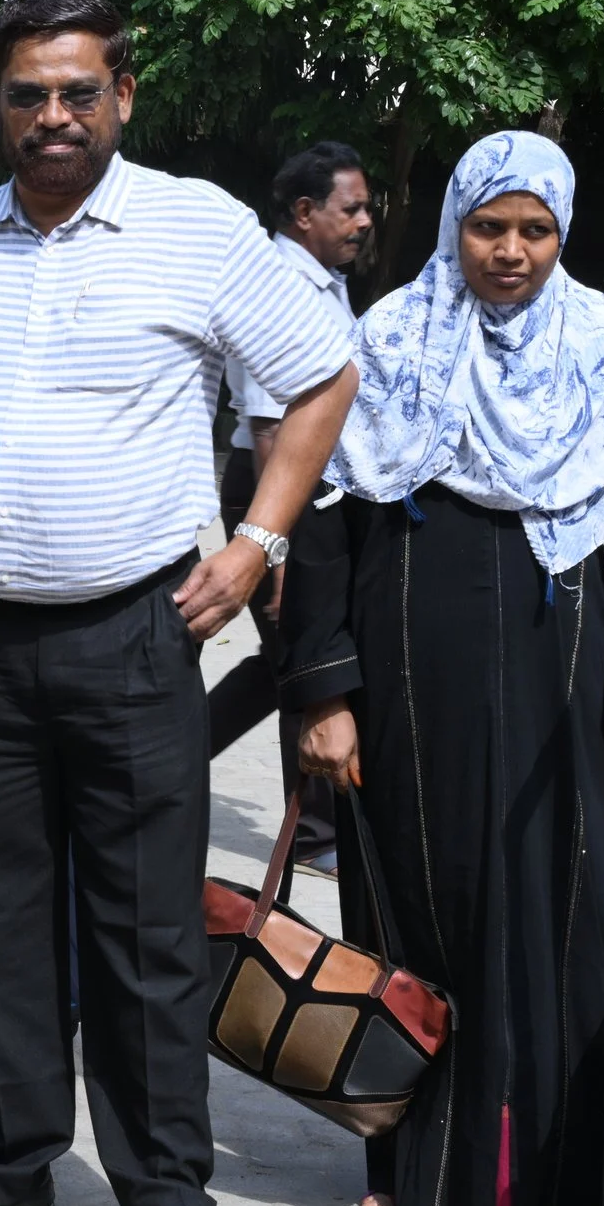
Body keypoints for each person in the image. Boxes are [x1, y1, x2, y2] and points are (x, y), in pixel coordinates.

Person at [0, 0, 359, 1206]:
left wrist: (255, 541)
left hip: (137, 630)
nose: (55, 117)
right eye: (29, 94)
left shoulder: (195, 226)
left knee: (141, 930)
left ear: (122, 98)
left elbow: (321, 375)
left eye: (79, 92)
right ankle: (12, 1157)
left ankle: (165, 1196)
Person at [280, 130, 604, 1206]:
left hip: (564, 679)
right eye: (488, 226)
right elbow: (321, 524)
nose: (509, 252)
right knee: (412, 909)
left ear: (563, 234)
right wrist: (324, 689)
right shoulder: (390, 338)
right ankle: (408, 1175)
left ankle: (560, 1186)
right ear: (453, 225)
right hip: (407, 680)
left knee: (566, 918)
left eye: (534, 230)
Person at [206, 142, 374, 873]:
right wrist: (274, 543)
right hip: (275, 485)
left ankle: (163, 757)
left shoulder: (322, 280)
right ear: (304, 213)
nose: (365, 221)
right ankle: (313, 837)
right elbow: (274, 424)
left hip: (311, 491)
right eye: (352, 208)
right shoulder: (275, 281)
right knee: (303, 657)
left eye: (368, 207)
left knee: (287, 659)